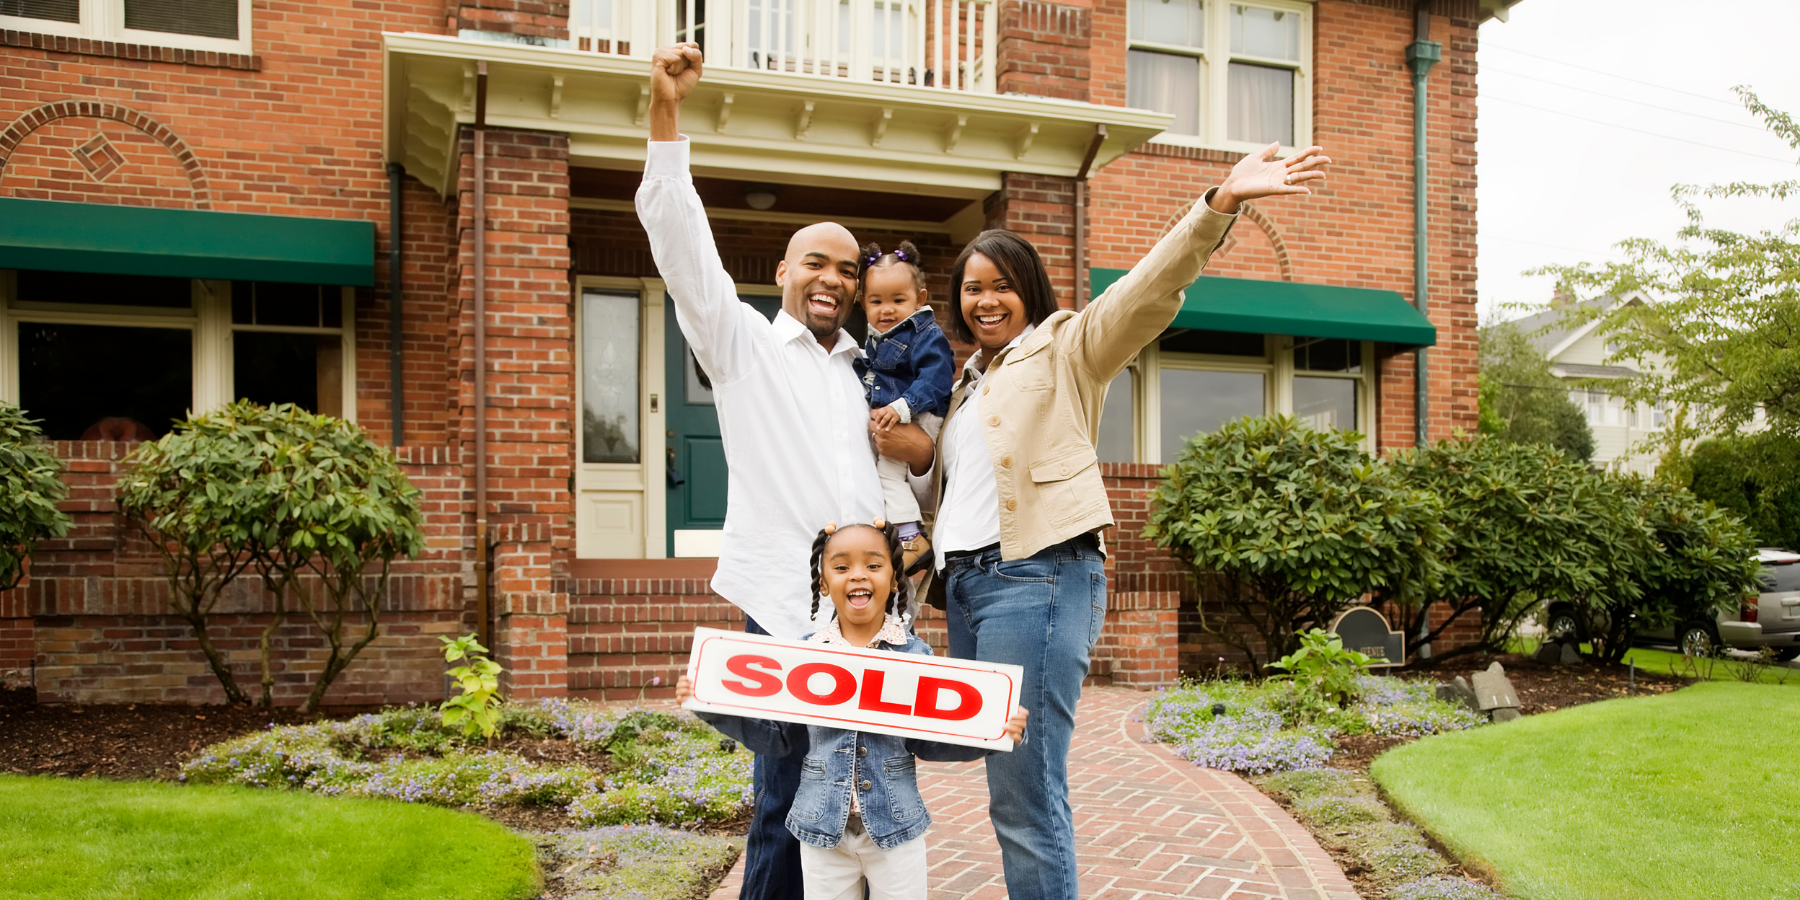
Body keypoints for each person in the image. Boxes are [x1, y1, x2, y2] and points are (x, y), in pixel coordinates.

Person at [916, 142, 1332, 900]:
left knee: (1024, 790)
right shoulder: (964, 386)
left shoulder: (1069, 346)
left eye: (1002, 286)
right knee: (989, 763)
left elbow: (1148, 289)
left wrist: (1218, 205)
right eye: (972, 289)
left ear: (1029, 292)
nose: (985, 301)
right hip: (969, 588)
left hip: (1035, 579)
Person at [637, 41, 936, 900]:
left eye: (849, 268)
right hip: (786, 607)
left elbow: (903, 475)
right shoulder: (742, 350)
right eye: (817, 261)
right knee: (785, 801)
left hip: (875, 612)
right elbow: (682, 245)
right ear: (781, 272)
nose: (835, 279)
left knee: (868, 797)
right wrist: (667, 116)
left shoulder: (867, 373)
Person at [678, 520, 1029, 900]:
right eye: (842, 567)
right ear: (824, 582)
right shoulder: (806, 656)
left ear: (895, 580)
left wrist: (993, 734)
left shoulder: (914, 656)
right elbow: (779, 740)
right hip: (822, 830)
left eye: (873, 565)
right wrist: (711, 705)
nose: (858, 575)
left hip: (895, 829)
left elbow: (928, 742)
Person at [854, 241, 954, 575]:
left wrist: (901, 407)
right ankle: (905, 537)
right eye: (876, 301)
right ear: (862, 303)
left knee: (888, 474)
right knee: (885, 474)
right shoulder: (874, 339)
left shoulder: (924, 332)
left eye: (898, 300)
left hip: (921, 414)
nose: (887, 310)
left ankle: (912, 540)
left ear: (920, 300)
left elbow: (937, 377)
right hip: (903, 414)